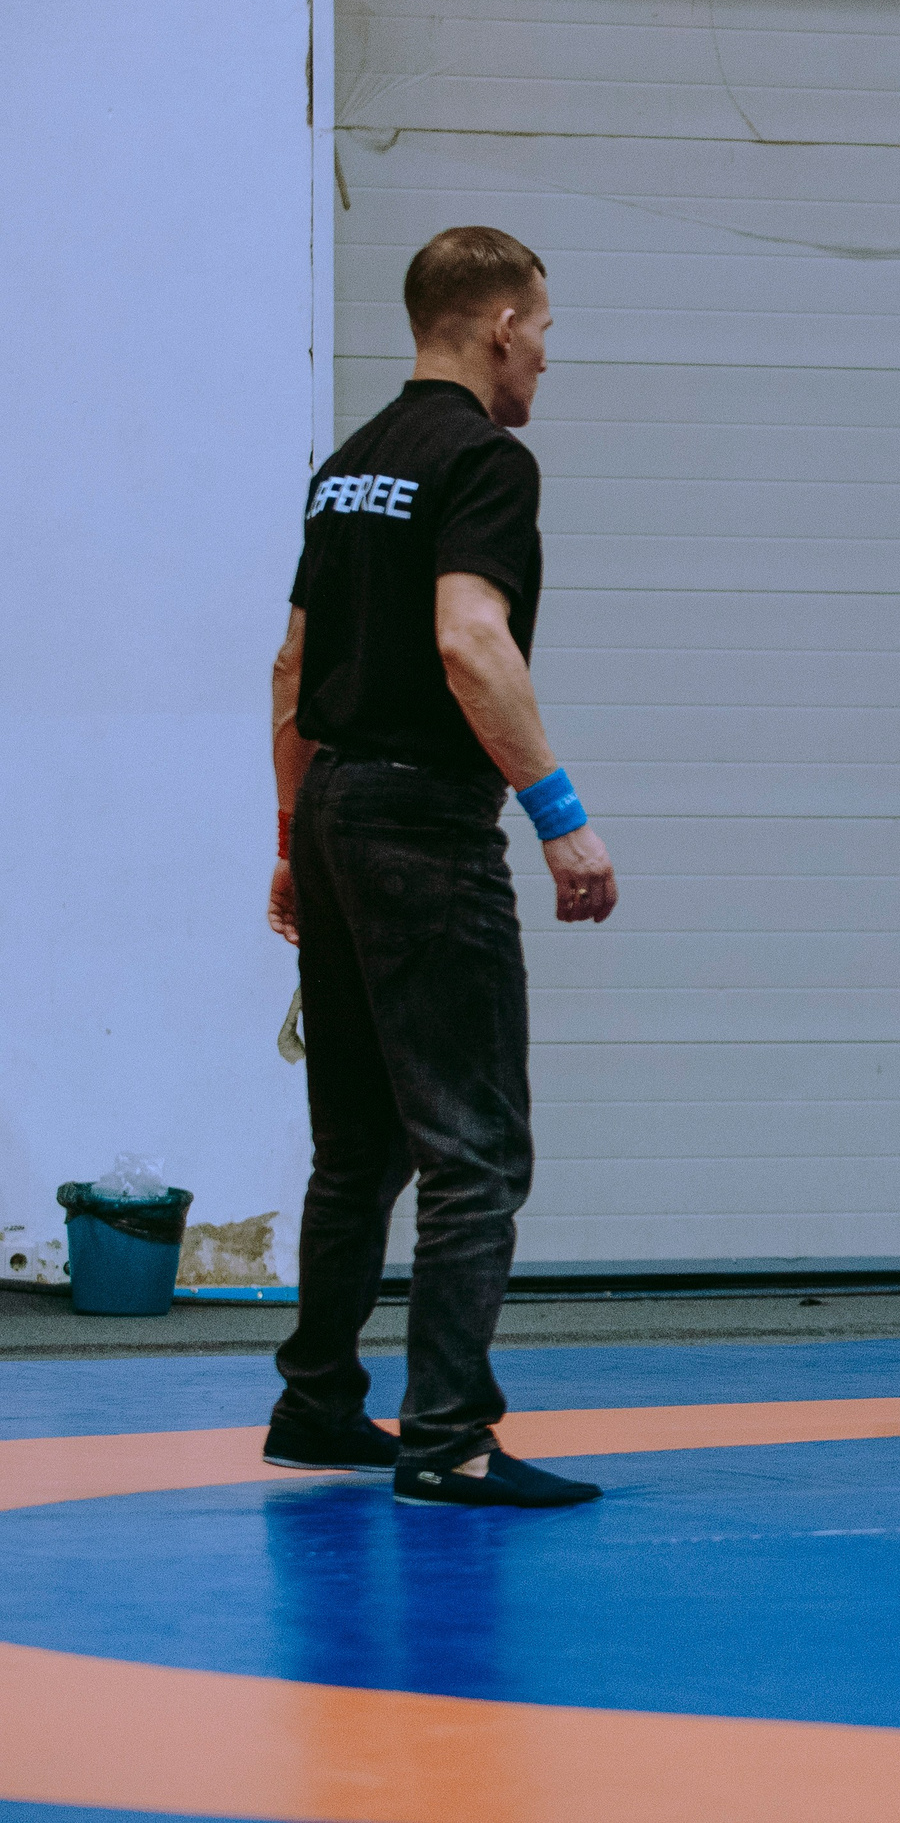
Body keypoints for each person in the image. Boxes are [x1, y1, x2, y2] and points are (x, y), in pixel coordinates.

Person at [263, 226, 616, 1508]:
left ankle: (314, 1406)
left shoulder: (348, 466)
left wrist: (294, 844)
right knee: (476, 1149)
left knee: (359, 1145)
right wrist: (559, 813)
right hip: (422, 821)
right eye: (546, 334)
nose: (545, 362)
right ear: (503, 325)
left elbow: (294, 673)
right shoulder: (482, 461)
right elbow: (471, 640)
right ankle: (450, 1437)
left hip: (340, 808)